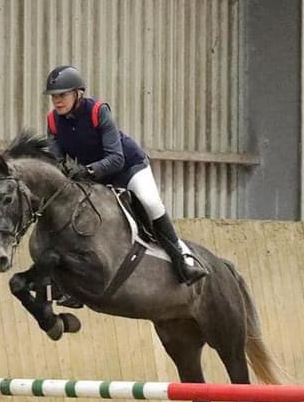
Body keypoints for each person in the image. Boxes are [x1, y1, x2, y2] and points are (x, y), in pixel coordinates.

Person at [43, 65, 208, 286]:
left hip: (129, 168)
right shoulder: (53, 121)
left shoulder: (98, 111)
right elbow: (56, 161)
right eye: (54, 97)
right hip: (95, 177)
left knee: (151, 203)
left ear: (77, 93)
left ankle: (182, 260)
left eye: (62, 95)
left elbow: (116, 158)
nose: (57, 101)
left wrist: (88, 170)